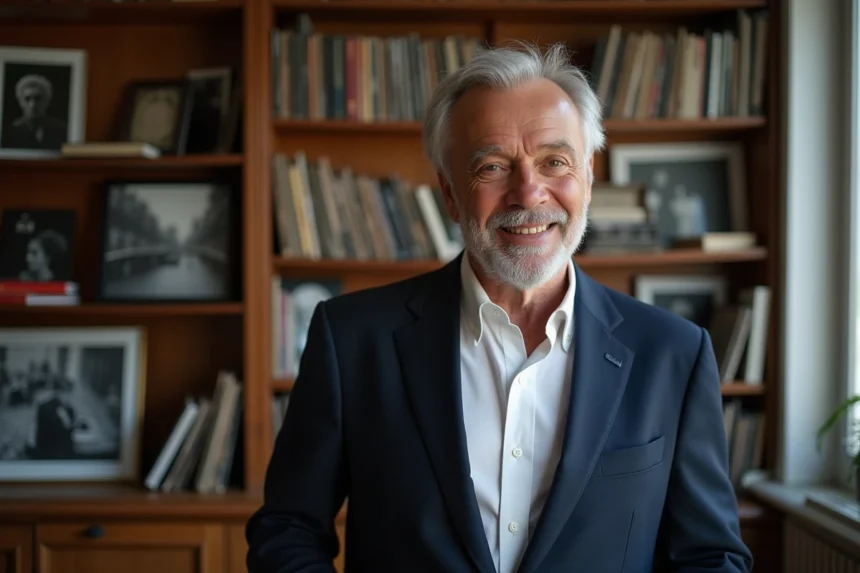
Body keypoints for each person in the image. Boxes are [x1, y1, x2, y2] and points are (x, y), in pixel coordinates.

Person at [246, 42, 753, 573]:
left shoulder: (673, 353)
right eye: (492, 167)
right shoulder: (351, 340)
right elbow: (288, 530)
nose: (528, 193)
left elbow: (709, 556)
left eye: (554, 161)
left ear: (588, 176)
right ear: (449, 193)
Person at [5, 74, 68, 150]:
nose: (32, 105)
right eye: (27, 99)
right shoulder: (10, 132)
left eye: (38, 99)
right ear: (20, 102)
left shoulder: (61, 131)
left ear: (47, 101)